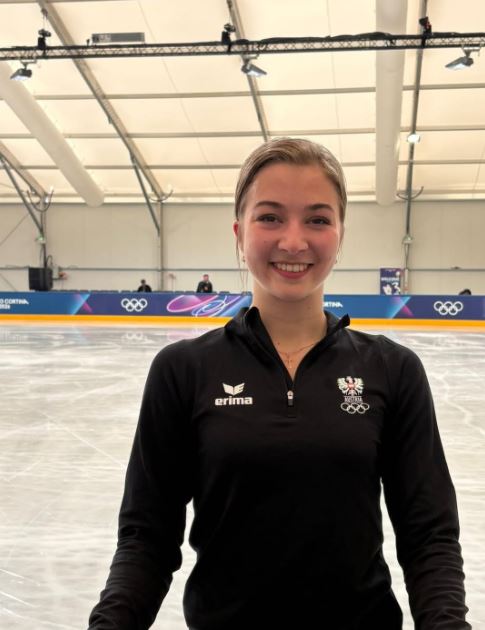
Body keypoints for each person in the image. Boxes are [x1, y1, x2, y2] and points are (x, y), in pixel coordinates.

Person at [88, 139, 470, 629]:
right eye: (270, 217)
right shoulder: (183, 370)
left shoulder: (393, 370)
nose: (293, 241)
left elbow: (429, 537)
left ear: (340, 234)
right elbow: (147, 539)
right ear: (239, 232)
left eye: (317, 219)